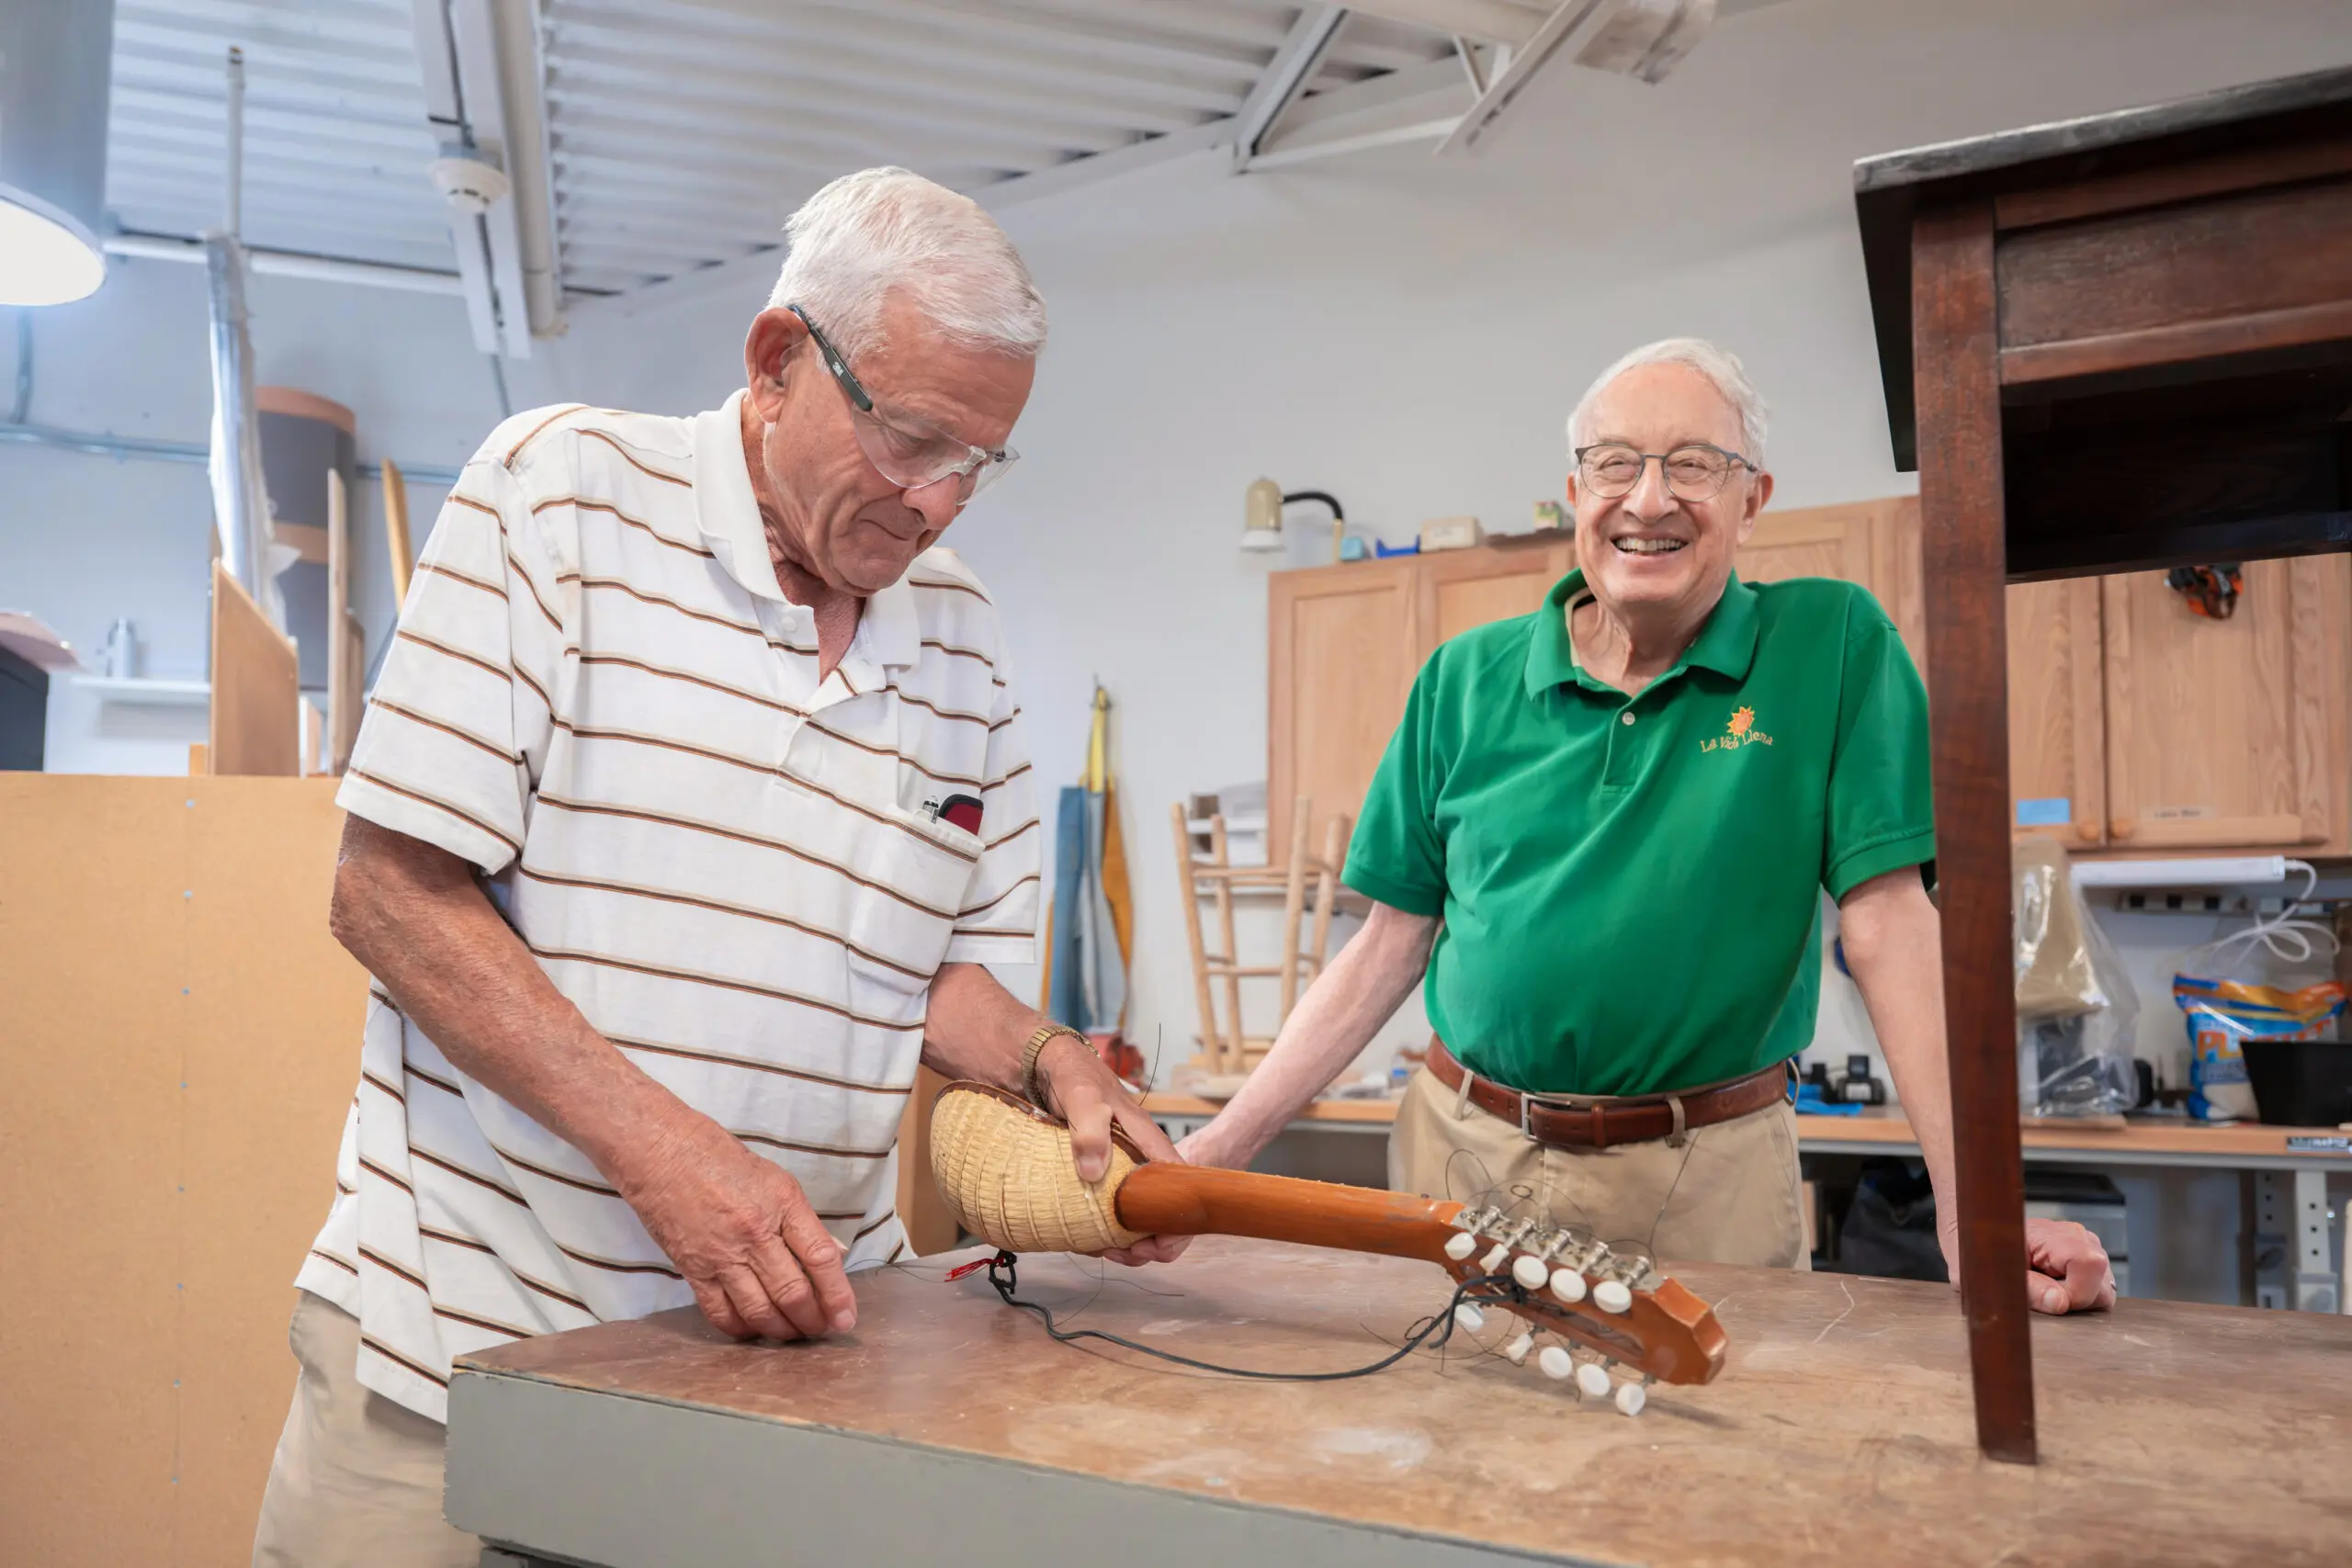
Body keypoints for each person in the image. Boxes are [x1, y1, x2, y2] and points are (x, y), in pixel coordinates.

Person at [252, 167, 1179, 1568]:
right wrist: (670, 1155)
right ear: (775, 358)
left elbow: (941, 975)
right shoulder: (558, 495)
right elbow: (386, 891)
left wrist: (1054, 1065)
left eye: (980, 460)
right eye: (913, 438)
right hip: (459, 1343)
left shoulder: (964, 640)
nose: (937, 503)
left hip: (777, 1366)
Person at [1177, 338, 2115, 1316]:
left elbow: (1889, 926)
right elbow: (1385, 945)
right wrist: (1213, 1157)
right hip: (1462, 1158)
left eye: (1694, 464)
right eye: (1616, 462)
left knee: (1704, 1459)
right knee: (1439, 1450)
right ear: (1575, 491)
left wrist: (1974, 1215)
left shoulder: (1831, 645)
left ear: (1753, 499)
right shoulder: (1461, 681)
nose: (1649, 498)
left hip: (1706, 1178)